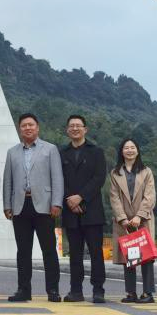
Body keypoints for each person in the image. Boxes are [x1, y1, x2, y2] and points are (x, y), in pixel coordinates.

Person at [2, 112, 64, 302]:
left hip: (44, 205)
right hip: (20, 206)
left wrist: (56, 202)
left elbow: (57, 177)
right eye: (24, 125)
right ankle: (23, 290)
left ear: (37, 128)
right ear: (19, 129)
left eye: (31, 125)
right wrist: (7, 205)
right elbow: (7, 180)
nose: (27, 128)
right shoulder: (12, 152)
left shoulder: (50, 149)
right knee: (23, 251)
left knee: (49, 250)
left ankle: (52, 290)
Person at [60, 114, 108, 304]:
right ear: (67, 130)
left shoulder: (96, 152)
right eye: (71, 126)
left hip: (92, 211)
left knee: (96, 253)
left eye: (78, 126)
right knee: (75, 254)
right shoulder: (61, 153)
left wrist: (80, 197)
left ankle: (98, 290)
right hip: (70, 211)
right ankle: (76, 290)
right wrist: (70, 200)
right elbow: (58, 179)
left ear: (85, 129)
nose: (75, 128)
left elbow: (99, 178)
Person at [108, 138, 157, 303]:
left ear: (137, 150)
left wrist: (139, 216)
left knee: (146, 257)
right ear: (121, 151)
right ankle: (131, 293)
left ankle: (148, 293)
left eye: (132, 147)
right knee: (128, 257)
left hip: (143, 220)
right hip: (124, 222)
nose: (129, 150)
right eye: (126, 148)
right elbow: (114, 197)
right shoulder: (115, 173)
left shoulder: (146, 171)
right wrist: (122, 218)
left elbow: (150, 196)